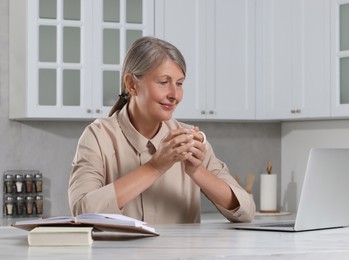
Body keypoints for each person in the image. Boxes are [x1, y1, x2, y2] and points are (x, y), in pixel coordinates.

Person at [68, 36, 255, 224]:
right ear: (132, 84)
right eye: (164, 82)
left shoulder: (189, 140)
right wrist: (155, 167)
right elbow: (82, 212)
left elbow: (246, 211)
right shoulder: (98, 137)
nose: (175, 95)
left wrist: (197, 171)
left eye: (179, 83)